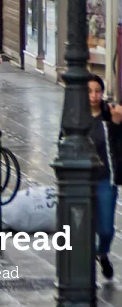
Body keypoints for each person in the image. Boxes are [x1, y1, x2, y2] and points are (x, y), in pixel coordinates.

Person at [87, 75, 122, 279]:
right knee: (83, 224)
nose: (94, 95)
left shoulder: (110, 114)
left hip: (105, 177)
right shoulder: (77, 117)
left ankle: (103, 253)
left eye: (97, 91)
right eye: (90, 91)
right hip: (81, 179)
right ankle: (88, 258)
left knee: (106, 228)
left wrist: (117, 124)